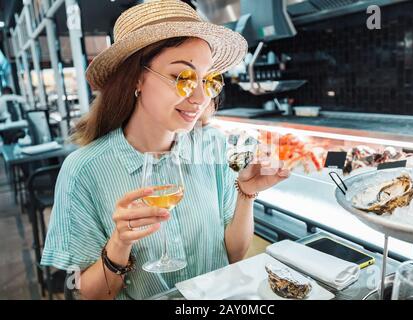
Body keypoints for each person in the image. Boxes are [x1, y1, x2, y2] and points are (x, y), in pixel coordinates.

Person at [41, 0, 291, 300]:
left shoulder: (213, 144)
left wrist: (246, 194)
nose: (200, 97)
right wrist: (120, 243)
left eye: (206, 80)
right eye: (182, 77)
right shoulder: (84, 170)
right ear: (136, 77)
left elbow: (233, 256)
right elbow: (89, 293)